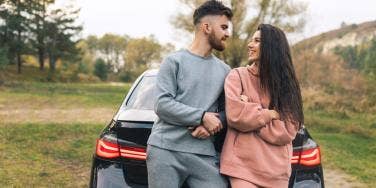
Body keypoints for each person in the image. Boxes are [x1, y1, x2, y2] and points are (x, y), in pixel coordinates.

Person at [146, 1, 233, 188]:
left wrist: (213, 124)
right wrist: (201, 117)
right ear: (207, 27)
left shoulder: (225, 70)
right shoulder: (173, 62)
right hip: (165, 149)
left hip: (203, 153)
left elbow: (229, 112)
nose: (227, 33)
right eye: (224, 27)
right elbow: (162, 104)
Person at [220, 24, 304, 188]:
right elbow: (236, 116)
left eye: (257, 41)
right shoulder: (237, 76)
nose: (250, 45)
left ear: (271, 47)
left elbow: (287, 131)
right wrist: (271, 114)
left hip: (277, 172)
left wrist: (251, 110)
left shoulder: (288, 85)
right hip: (242, 168)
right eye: (252, 40)